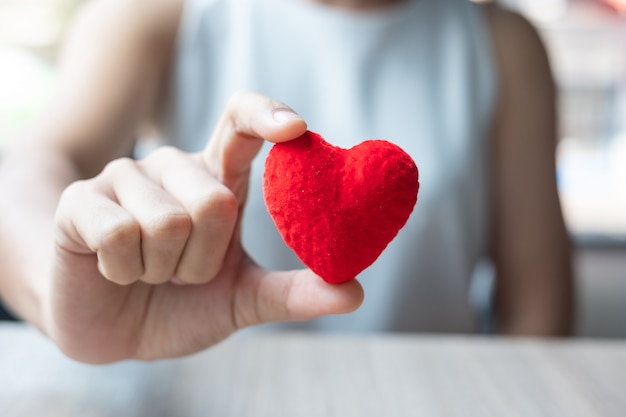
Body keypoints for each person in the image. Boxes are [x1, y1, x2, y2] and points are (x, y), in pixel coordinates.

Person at [0, 0, 573, 364]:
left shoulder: (500, 42)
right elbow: (27, 169)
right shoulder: (162, 14)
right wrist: (62, 301)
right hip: (202, 396)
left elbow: (540, 311)